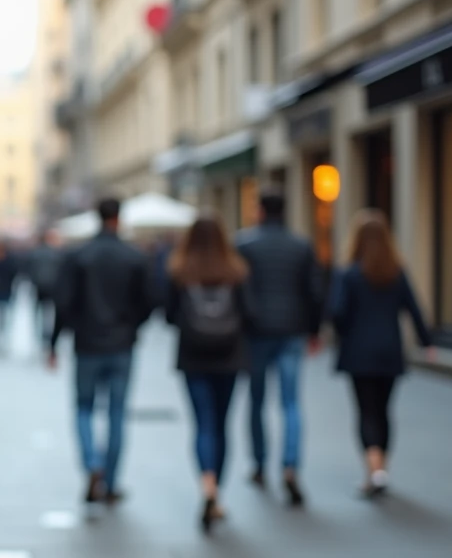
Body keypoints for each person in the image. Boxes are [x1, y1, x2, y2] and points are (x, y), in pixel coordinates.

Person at [48, 198, 155, 505]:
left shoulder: (78, 256)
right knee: (117, 413)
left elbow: (63, 303)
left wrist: (54, 343)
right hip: (122, 345)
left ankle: (92, 465)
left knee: (84, 407)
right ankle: (110, 480)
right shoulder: (134, 257)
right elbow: (150, 301)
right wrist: (133, 326)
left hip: (88, 344)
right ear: (119, 218)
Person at [329, 210, 434, 498]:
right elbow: (414, 309)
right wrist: (427, 342)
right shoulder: (396, 272)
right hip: (389, 350)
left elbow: (337, 313)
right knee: (384, 411)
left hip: (359, 352)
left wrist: (344, 332)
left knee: (366, 411)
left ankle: (374, 470)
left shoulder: (348, 274)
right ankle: (381, 468)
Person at [236, 186, 324, 507]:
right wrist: (314, 330)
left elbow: (239, 292)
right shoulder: (301, 245)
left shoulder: (245, 244)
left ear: (260, 210)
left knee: (257, 400)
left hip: (257, 333)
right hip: (292, 331)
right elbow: (315, 292)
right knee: (290, 402)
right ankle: (290, 464)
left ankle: (259, 463)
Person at [165, 215, 254, 533]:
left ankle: (206, 486)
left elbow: (169, 315)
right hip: (229, 356)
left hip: (193, 356)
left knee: (203, 423)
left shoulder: (180, 270)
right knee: (221, 423)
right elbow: (249, 312)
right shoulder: (236, 270)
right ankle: (217, 494)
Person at [25, 229, 64, 345]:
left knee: (39, 311)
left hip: (39, 286)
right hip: (51, 286)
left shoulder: (35, 253)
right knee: (49, 311)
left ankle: (41, 333)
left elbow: (30, 270)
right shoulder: (54, 253)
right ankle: (46, 332)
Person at [0, 238, 19, 356]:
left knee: (2, 316)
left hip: (3, 291)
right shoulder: (6, 260)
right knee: (2, 316)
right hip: (3, 291)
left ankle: (1, 339)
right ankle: (1, 339)